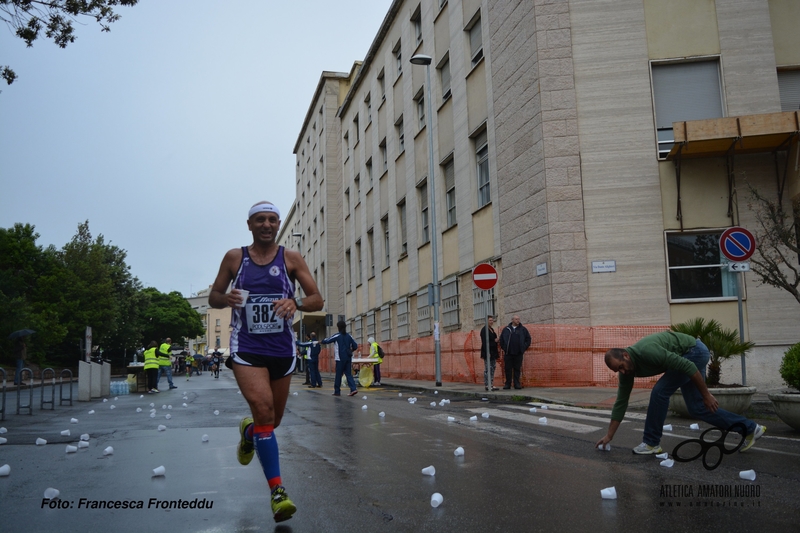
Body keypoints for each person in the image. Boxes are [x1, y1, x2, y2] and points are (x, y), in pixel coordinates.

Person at [209, 201, 323, 523]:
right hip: (247, 347)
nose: (267, 225)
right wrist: (227, 298)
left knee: (271, 423)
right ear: (249, 225)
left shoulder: (291, 258)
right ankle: (278, 492)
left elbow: (317, 299)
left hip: (281, 349)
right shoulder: (235, 258)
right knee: (263, 409)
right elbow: (214, 296)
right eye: (260, 220)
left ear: (277, 225)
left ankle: (248, 435)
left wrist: (295, 302)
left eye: (272, 220)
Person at [595, 330, 766, 455]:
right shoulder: (627, 372)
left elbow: (688, 366)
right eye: (618, 371)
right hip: (690, 356)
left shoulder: (646, 351)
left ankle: (651, 443)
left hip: (694, 352)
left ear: (625, 355)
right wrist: (609, 435)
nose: (622, 372)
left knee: (660, 392)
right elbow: (621, 402)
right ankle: (750, 428)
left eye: (621, 367)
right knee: (696, 408)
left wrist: (706, 394)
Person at [320, 320, 358, 397]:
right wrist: (351, 350)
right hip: (348, 357)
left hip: (340, 358)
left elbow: (328, 340)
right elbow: (355, 346)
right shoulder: (349, 336)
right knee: (348, 374)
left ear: (338, 327)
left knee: (338, 375)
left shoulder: (337, 335)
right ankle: (353, 389)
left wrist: (321, 341)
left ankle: (337, 391)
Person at [499, 315, 531, 389]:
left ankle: (517, 383)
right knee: (508, 369)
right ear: (512, 320)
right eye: (516, 319)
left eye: (518, 319)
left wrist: (523, 347)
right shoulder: (506, 329)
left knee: (517, 369)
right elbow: (501, 340)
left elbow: (528, 339)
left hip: (518, 353)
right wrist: (504, 348)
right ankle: (508, 384)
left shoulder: (523, 329)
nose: (518, 320)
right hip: (508, 353)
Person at [480, 316, 500, 391]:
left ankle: (491, 383)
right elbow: (485, 342)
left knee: (493, 367)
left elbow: (493, 339)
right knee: (488, 368)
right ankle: (487, 384)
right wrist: (487, 352)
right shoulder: (484, 330)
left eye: (492, 320)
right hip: (488, 352)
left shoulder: (491, 329)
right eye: (490, 320)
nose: (492, 322)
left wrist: (496, 340)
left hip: (493, 351)